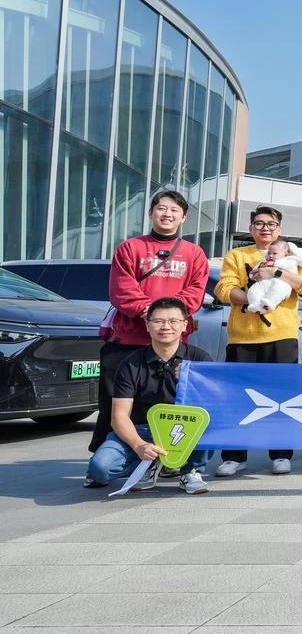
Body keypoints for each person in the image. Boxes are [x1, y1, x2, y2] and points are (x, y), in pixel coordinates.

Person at [91, 190, 208, 457]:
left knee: (172, 403)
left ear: (184, 217)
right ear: (150, 213)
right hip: (128, 339)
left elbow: (195, 292)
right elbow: (122, 289)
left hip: (171, 343)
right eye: (161, 208)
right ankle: (103, 455)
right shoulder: (130, 248)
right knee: (112, 403)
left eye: (174, 210)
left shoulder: (194, 253)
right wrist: (151, 313)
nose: (167, 214)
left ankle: (171, 457)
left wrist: (166, 318)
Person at [213, 206, 302, 477]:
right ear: (250, 229)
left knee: (282, 396)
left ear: (279, 229)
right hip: (242, 336)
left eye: (271, 224)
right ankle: (234, 455)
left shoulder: (292, 253)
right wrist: (254, 299)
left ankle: (281, 454)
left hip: (282, 336)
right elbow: (223, 288)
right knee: (237, 396)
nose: (265, 228)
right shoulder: (237, 255)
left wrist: (277, 274)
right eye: (259, 223)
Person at [84, 297, 212, 495]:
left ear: (185, 325)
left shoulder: (200, 360)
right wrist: (139, 446)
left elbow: (213, 406)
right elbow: (119, 416)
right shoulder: (130, 364)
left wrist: (192, 380)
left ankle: (190, 470)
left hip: (183, 429)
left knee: (209, 425)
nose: (166, 327)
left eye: (173, 321)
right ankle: (150, 463)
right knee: (100, 469)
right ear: (147, 325)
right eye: (158, 321)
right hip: (141, 430)